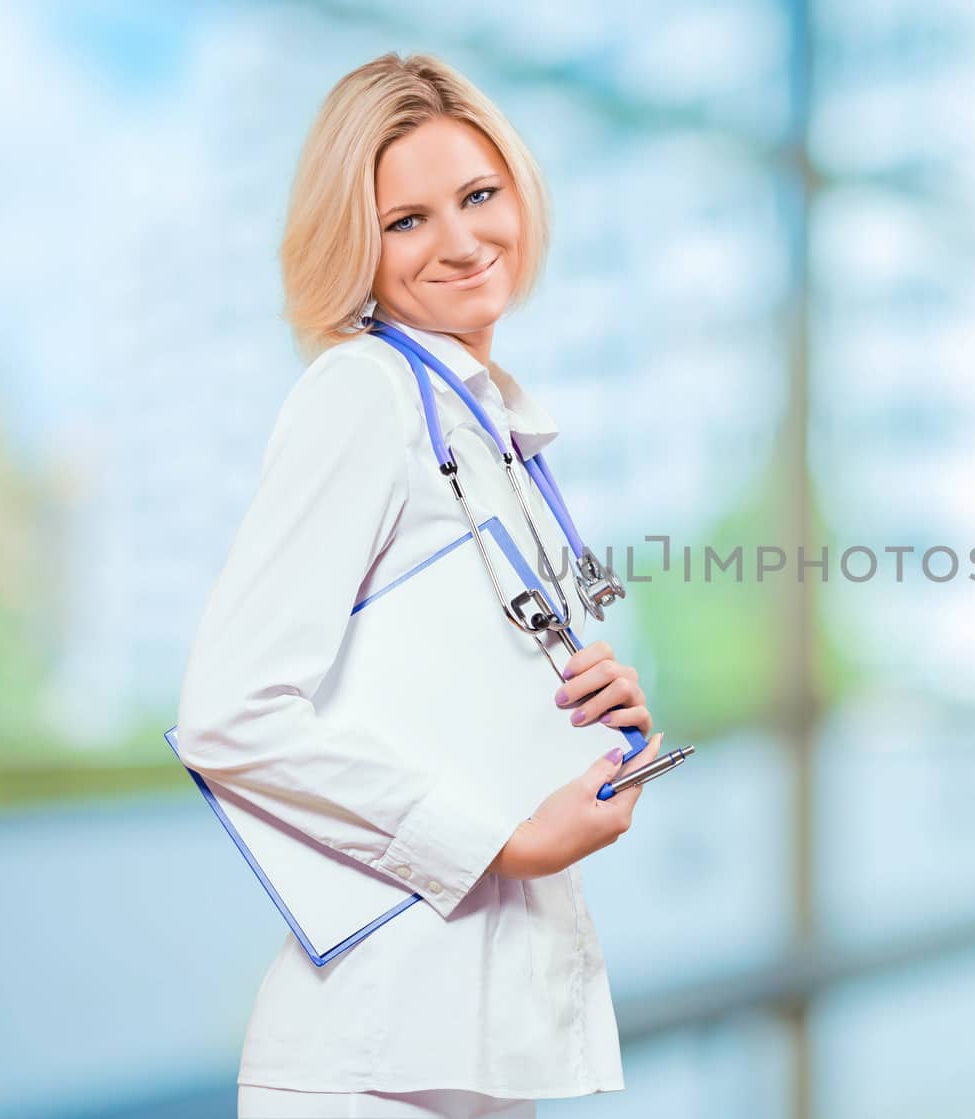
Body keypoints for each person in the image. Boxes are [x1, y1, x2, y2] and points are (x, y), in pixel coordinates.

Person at [173, 52, 661, 1119]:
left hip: (476, 1047)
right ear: (356, 242)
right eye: (406, 221)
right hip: (374, 1056)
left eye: (478, 196)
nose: (460, 241)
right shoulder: (363, 392)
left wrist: (593, 723)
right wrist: (496, 841)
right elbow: (229, 714)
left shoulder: (484, 422)